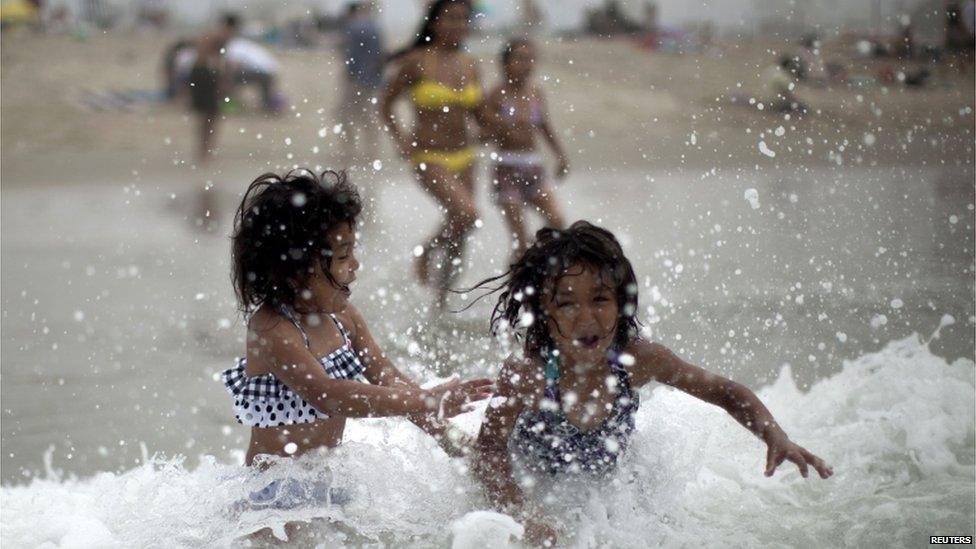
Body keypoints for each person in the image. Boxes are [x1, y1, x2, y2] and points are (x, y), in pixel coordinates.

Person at [470, 222, 833, 546]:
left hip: (605, 494)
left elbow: (724, 391)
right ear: (543, 313)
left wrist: (773, 435)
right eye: (566, 304)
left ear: (621, 304)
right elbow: (487, 452)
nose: (587, 317)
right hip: (533, 486)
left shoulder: (638, 361)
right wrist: (523, 514)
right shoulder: (527, 374)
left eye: (599, 299)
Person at [222, 169, 493, 504]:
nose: (355, 264)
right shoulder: (273, 329)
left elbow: (388, 378)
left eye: (353, 250)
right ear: (293, 270)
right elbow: (329, 394)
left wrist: (448, 438)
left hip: (326, 485)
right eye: (342, 256)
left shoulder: (343, 317)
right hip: (273, 494)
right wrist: (428, 400)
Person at [380, 0, 484, 310]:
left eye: (463, 20)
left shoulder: (470, 63)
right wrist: (400, 140)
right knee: (467, 214)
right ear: (435, 23)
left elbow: (479, 115)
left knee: (461, 232)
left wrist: (500, 127)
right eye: (451, 19)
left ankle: (441, 304)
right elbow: (385, 105)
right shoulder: (416, 62)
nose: (458, 25)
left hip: (465, 156)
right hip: (429, 156)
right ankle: (426, 251)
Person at [483, 39, 568, 261]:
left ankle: (539, 262)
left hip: (533, 167)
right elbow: (480, 134)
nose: (526, 64)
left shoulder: (535, 93)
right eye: (520, 59)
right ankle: (513, 287)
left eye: (530, 59)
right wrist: (503, 123)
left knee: (558, 222)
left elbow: (544, 126)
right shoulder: (496, 94)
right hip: (506, 168)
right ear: (505, 63)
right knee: (519, 239)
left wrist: (560, 155)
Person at [339, 1, 385, 165]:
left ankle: (348, 150)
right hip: (371, 78)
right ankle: (371, 151)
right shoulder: (375, 27)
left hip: (357, 78)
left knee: (346, 115)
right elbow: (380, 55)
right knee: (366, 115)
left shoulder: (354, 27)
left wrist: (350, 75)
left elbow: (351, 55)